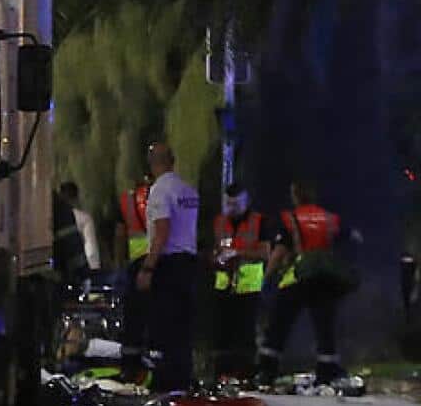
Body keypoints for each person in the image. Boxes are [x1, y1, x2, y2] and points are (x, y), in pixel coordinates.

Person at [120, 143, 200, 392]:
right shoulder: (188, 190)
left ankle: (165, 381)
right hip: (188, 263)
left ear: (152, 163)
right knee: (183, 326)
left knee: (163, 325)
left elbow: (162, 231)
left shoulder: (159, 191)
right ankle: (183, 379)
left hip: (168, 264)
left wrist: (148, 268)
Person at [256, 180, 353, 385]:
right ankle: (328, 370)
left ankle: (267, 369)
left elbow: (280, 251)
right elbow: (351, 237)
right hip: (325, 277)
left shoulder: (289, 218)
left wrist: (267, 277)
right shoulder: (329, 218)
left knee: (279, 322)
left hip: (298, 276)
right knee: (324, 325)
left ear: (295, 196)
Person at [209, 183, 272, 380]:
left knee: (245, 336)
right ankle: (222, 376)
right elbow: (214, 249)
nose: (232, 208)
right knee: (222, 336)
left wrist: (238, 253)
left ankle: (245, 376)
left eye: (236, 204)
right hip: (223, 286)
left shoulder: (259, 221)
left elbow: (265, 253)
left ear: (246, 202)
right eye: (229, 204)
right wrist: (216, 259)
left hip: (248, 288)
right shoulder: (219, 222)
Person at [114, 175, 151, 279]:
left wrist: (119, 264)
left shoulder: (126, 199)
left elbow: (120, 235)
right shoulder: (164, 195)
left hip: (138, 259)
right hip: (163, 257)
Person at [59, 182, 101, 272]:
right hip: (80, 267)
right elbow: (91, 248)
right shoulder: (85, 218)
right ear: (76, 198)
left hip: (62, 267)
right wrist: (94, 268)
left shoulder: (55, 219)